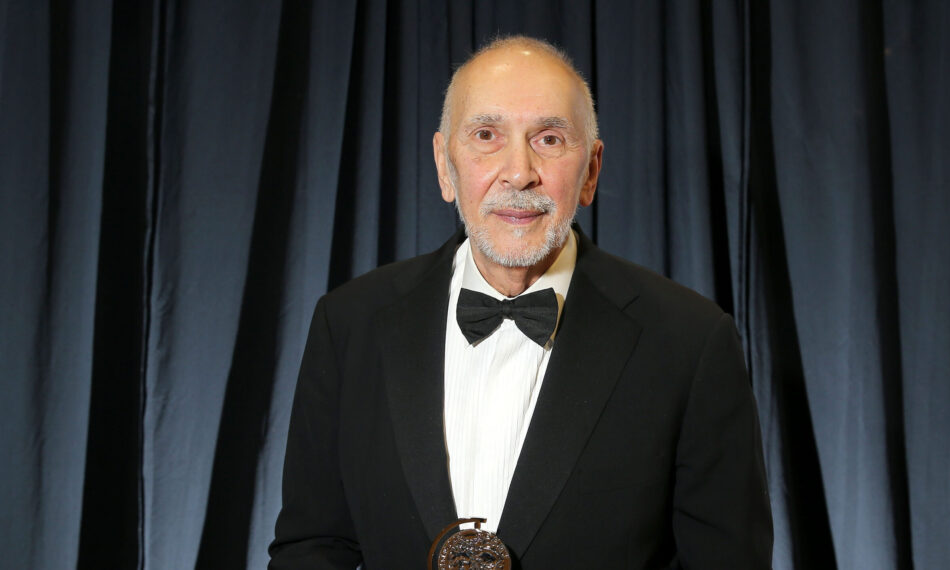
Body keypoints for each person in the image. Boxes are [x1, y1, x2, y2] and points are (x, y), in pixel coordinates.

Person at [269, 36, 772, 569]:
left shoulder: (690, 341)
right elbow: (313, 547)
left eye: (549, 139)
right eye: (486, 135)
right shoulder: (349, 323)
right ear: (444, 165)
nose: (518, 172)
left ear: (591, 172)